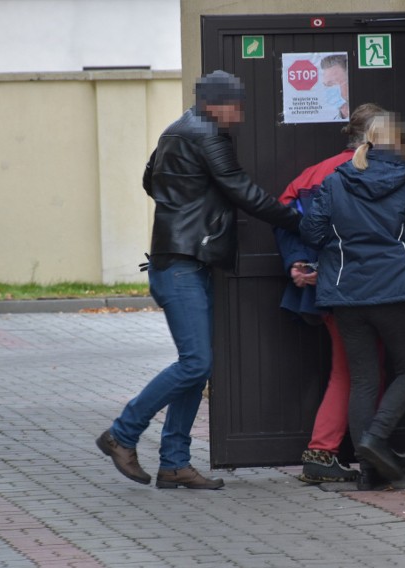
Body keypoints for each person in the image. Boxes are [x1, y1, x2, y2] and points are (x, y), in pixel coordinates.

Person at [96, 70, 301, 490]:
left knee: (195, 367)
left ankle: (174, 463)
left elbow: (149, 181)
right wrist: (298, 222)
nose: (240, 114)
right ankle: (122, 432)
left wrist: (189, 204)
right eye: (236, 105)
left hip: (184, 260)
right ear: (215, 103)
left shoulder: (177, 130)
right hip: (181, 266)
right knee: (196, 363)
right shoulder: (205, 135)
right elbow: (243, 191)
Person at [299, 111, 405, 488]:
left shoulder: (335, 181)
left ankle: (370, 473)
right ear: (400, 144)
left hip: (347, 295)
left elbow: (312, 233)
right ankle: (375, 440)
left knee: (363, 379)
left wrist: (343, 243)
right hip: (398, 291)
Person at [274, 103, 385, 484]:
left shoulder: (313, 174)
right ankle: (332, 451)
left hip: (328, 289)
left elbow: (285, 211)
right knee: (358, 371)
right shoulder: (371, 172)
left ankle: (332, 450)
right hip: (363, 288)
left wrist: (298, 260)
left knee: (352, 370)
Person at [320, 54, 349, 120]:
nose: (328, 89)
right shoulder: (333, 121)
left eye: (332, 83)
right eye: (325, 85)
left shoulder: (367, 120)